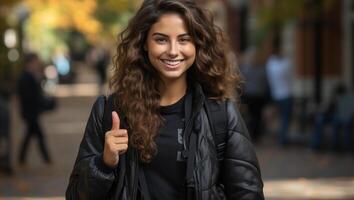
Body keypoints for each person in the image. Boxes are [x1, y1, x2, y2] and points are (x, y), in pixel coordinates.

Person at [66, 0, 264, 199]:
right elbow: (75, 195)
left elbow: (247, 193)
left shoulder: (220, 114)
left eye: (184, 39)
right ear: (144, 43)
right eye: (161, 39)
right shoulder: (111, 112)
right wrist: (104, 164)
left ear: (197, 44)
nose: (172, 50)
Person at [17, 53, 52, 165]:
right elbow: (29, 97)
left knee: (30, 135)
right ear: (30, 63)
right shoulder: (25, 77)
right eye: (35, 62)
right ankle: (46, 159)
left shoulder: (30, 76)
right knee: (38, 135)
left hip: (31, 112)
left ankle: (22, 158)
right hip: (30, 113)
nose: (37, 64)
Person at [266, 38, 293, 146]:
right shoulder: (285, 64)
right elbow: (290, 75)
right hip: (286, 94)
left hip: (275, 95)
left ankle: (279, 138)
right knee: (285, 119)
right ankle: (282, 139)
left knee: (279, 119)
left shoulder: (270, 64)